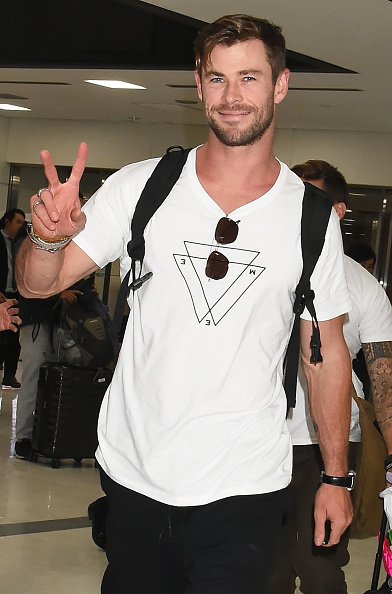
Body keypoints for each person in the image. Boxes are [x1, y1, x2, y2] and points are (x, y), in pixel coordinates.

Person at [16, 15, 353, 594]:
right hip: (136, 474)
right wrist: (46, 237)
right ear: (198, 86)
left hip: (244, 484)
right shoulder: (143, 187)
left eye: (249, 77)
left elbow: (322, 353)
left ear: (281, 85)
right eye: (217, 78)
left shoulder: (310, 219)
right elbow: (37, 284)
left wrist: (336, 477)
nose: (232, 96)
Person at [268, 158, 392, 594]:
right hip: (258, 439)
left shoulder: (363, 289)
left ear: (338, 212)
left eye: (313, 201)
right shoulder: (268, 267)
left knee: (320, 563)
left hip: (327, 447)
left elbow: (384, 377)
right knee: (264, 565)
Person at [14, 286, 84, 459]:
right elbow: (29, 284)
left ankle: (49, 436)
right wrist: (58, 294)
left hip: (59, 320)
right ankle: (23, 439)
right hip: (35, 319)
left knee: (55, 381)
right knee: (33, 377)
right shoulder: (33, 259)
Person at [0, 208, 25, 389]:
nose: (20, 226)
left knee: (14, 339)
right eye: (18, 222)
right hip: (1, 295)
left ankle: (9, 375)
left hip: (14, 295)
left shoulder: (16, 243)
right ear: (7, 221)